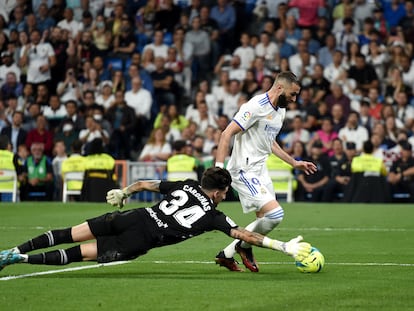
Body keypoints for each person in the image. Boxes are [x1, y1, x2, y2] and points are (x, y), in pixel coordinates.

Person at [0, 167, 312, 272]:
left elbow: (146, 185)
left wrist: (124, 192)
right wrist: (281, 246)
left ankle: (11, 250)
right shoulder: (214, 215)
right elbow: (244, 234)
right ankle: (21, 259)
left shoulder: (187, 184)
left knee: (68, 232)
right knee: (76, 254)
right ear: (220, 191)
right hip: (138, 240)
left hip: (134, 216)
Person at [214, 71, 317, 272]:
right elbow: (226, 134)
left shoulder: (281, 110)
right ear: (280, 88)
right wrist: (218, 170)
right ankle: (243, 246)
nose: (294, 100)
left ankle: (229, 253)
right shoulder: (254, 107)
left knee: (264, 218)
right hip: (243, 170)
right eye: (293, 94)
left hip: (260, 170)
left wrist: (294, 162)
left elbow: (270, 142)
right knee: (275, 215)